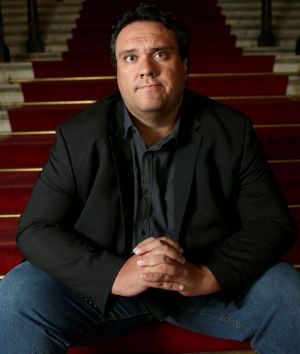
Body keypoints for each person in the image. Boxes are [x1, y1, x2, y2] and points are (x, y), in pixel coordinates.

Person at [0, 3, 299, 353]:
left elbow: (272, 223)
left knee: (286, 292)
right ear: (117, 72)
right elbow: (35, 229)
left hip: (200, 286)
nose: (146, 69)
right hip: (108, 293)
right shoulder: (78, 136)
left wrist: (205, 274)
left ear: (185, 65)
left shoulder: (232, 131)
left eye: (160, 53)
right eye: (130, 57)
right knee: (19, 293)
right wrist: (115, 275)